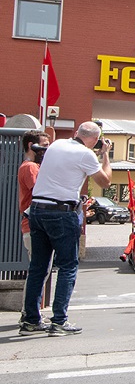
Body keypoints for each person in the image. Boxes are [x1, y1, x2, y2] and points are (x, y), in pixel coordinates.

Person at [20, 121, 112, 337]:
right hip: (62, 212)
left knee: (38, 267)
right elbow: (105, 182)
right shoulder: (86, 154)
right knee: (67, 266)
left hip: (37, 210)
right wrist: (105, 155)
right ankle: (59, 321)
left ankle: (30, 321)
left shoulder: (56, 145)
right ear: (96, 140)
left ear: (75, 133)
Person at [17, 129, 51, 326]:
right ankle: (29, 313)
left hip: (31, 224)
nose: (46, 150)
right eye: (43, 145)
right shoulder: (30, 167)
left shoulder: (30, 166)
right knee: (38, 271)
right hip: (33, 223)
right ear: (32, 146)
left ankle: (30, 312)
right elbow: (41, 191)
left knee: (40, 271)